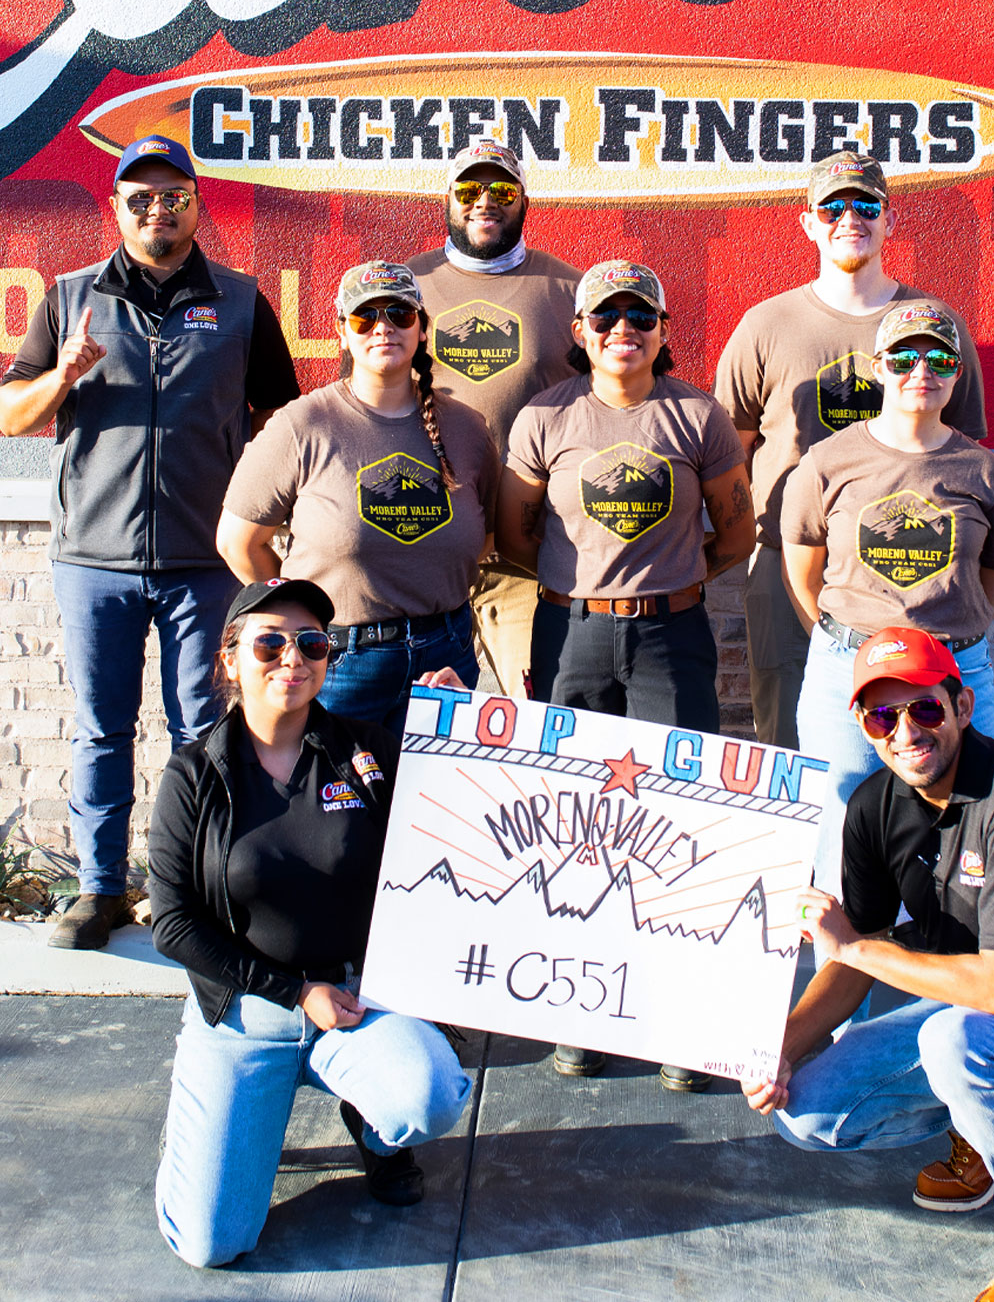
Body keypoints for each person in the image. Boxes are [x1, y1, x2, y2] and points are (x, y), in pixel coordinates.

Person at [742, 627, 994, 1302]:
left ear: (962, 706)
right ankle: (986, 1128)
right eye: (882, 716)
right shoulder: (873, 807)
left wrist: (855, 946)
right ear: (864, 727)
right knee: (806, 1111)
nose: (905, 732)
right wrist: (780, 1051)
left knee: (956, 1041)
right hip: (977, 1020)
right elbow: (855, 962)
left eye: (924, 708)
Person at [0, 134, 300, 950]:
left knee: (205, 728)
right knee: (103, 726)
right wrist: (62, 375)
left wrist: (260, 511)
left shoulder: (240, 301)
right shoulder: (69, 298)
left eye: (174, 196)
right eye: (141, 197)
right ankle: (98, 889)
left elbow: (280, 418)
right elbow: (10, 415)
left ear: (196, 206)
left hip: (207, 559)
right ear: (117, 208)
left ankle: (198, 888)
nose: (157, 209)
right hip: (94, 557)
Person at [150, 578, 471, 1269]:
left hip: (354, 1004)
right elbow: (172, 924)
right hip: (245, 1016)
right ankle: (211, 1124)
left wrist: (453, 726)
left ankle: (373, 1125)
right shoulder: (194, 773)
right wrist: (296, 993)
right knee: (211, 1244)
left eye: (312, 643)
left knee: (430, 1096)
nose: (292, 658)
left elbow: (456, 825)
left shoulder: (365, 753)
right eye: (269, 642)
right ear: (230, 658)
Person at [498, 258, 755, 1091]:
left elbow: (736, 531)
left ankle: (679, 1020)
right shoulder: (545, 417)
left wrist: (667, 583)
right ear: (579, 332)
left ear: (663, 329)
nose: (623, 331)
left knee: (679, 820)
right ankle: (582, 1010)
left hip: (670, 636)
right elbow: (516, 532)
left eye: (640, 317)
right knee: (573, 822)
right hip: (570, 634)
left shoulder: (696, 415)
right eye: (605, 318)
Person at [713, 151, 986, 750]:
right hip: (789, 562)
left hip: (913, 568)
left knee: (918, 742)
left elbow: (964, 454)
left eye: (865, 205)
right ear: (808, 223)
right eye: (831, 207)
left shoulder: (934, 327)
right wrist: (751, 543)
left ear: (890, 219)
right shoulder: (766, 325)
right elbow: (730, 452)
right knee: (789, 744)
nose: (849, 218)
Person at [779, 298, 994, 899]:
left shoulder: (985, 472)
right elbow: (803, 571)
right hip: (848, 671)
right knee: (841, 826)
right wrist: (851, 646)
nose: (922, 370)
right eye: (905, 357)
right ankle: (847, 953)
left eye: (940, 358)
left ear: (957, 373)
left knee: (980, 816)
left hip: (956, 671)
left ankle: (961, 952)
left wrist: (947, 635)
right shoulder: (828, 462)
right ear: (878, 368)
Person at [217, 261, 498, 741]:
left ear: (423, 330)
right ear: (342, 332)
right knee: (336, 790)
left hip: (445, 658)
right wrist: (298, 614)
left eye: (400, 315)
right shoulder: (301, 425)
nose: (382, 328)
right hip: (339, 662)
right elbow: (237, 543)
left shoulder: (467, 428)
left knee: (427, 792)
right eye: (365, 317)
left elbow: (487, 534)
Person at [407, 137, 581, 697]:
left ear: (525, 201)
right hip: (422, 540)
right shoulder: (403, 288)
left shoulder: (569, 290)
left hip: (523, 551)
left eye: (502, 190)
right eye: (469, 189)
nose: (485, 201)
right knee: (415, 721)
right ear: (447, 199)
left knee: (533, 713)